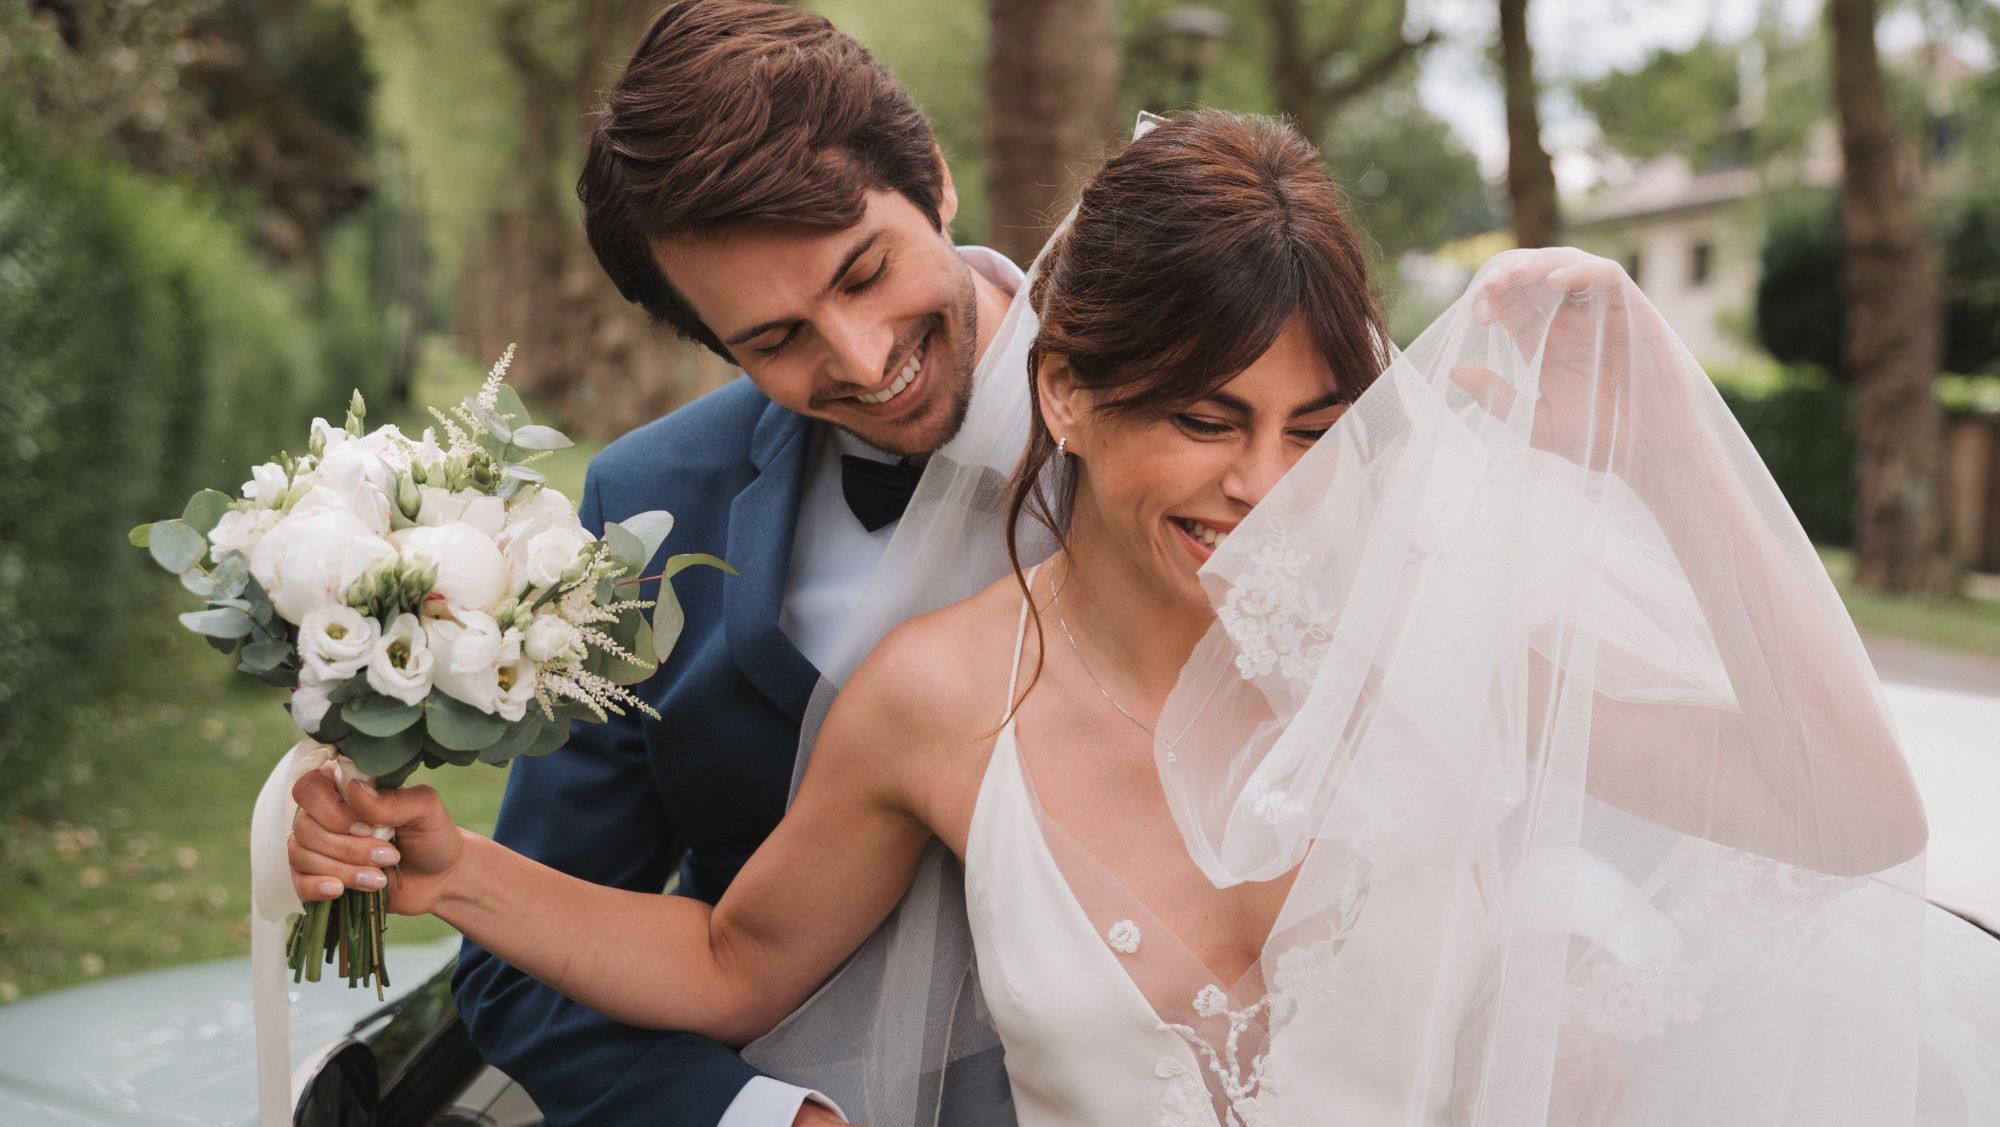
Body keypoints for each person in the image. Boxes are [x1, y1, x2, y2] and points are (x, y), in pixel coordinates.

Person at [299, 111, 1973, 1126]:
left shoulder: (1451, 632)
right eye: (1205, 418)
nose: (1262, 486)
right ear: (1076, 393)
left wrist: (1661, 429)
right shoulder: (937, 700)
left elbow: (1849, 813)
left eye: (1316, 430)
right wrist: (449, 870)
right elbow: (736, 961)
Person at [446, 2, 1023, 1125]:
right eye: (774, 339)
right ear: (711, 342)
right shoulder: (647, 507)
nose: (862, 361)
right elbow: (524, 964)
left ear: (936, 181)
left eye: (863, 273)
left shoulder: (1198, 413)